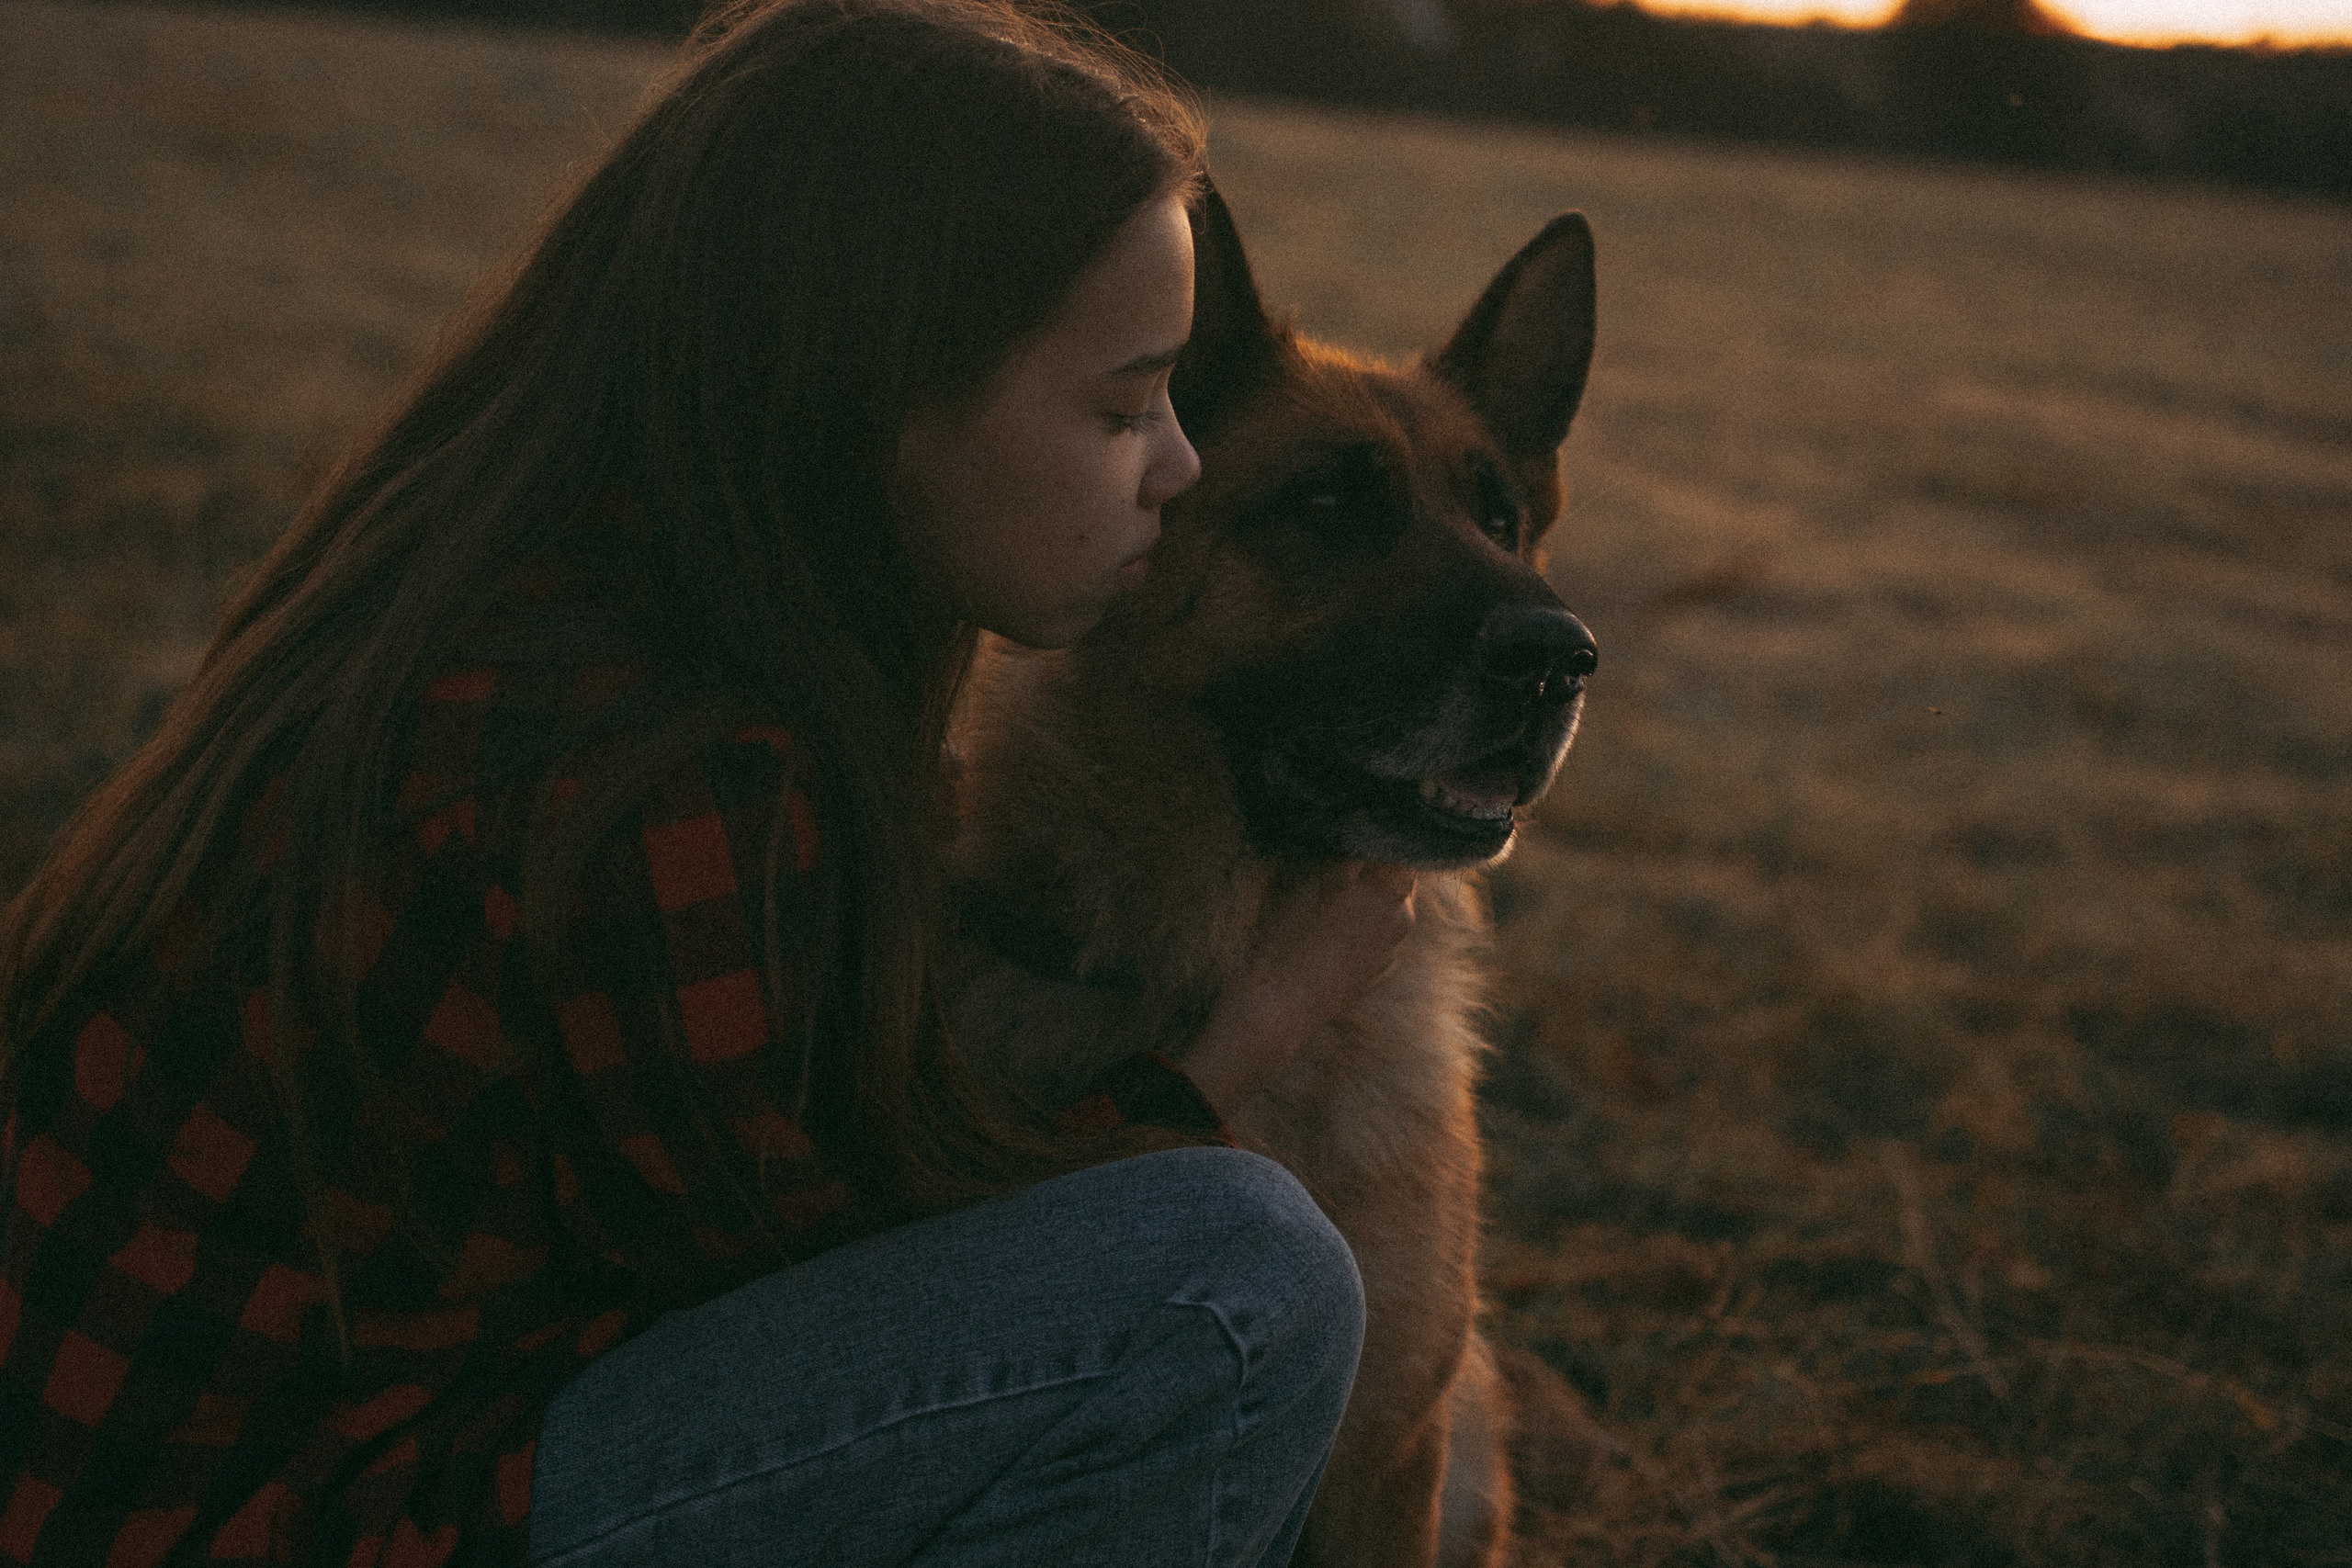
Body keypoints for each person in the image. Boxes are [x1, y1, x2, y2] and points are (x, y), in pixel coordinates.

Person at [0, 1, 1420, 1562]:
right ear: (879, 398)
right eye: (1121, 404)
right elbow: (833, 1288)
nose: (1181, 464)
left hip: (156, 1476)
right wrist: (1248, 1038)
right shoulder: (668, 777)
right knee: (1234, 1281)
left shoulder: (516, 601)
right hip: (298, 1522)